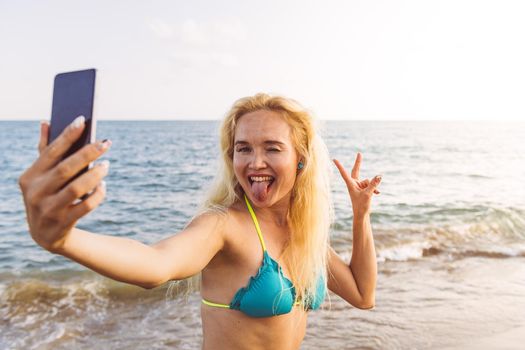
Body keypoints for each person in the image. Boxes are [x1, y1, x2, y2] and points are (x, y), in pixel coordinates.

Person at [18, 93, 381, 350]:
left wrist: (360, 216)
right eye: (243, 149)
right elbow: (155, 263)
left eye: (272, 148)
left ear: (300, 160)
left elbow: (363, 296)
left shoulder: (305, 234)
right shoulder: (223, 225)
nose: (255, 162)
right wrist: (63, 240)